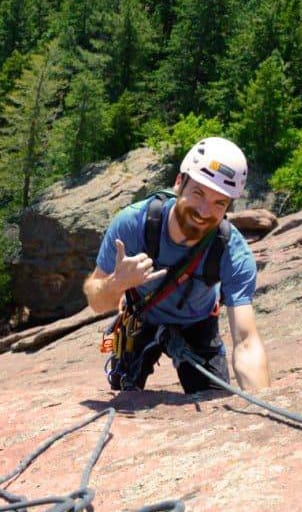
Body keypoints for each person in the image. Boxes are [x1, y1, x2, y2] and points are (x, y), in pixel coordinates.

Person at [82, 137, 271, 393]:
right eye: (199, 193)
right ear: (179, 183)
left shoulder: (232, 252)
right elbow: (96, 301)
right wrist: (118, 283)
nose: (204, 211)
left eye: (219, 203)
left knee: (212, 396)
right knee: (121, 386)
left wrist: (264, 405)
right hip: (140, 316)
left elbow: (247, 341)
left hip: (197, 322)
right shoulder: (132, 225)